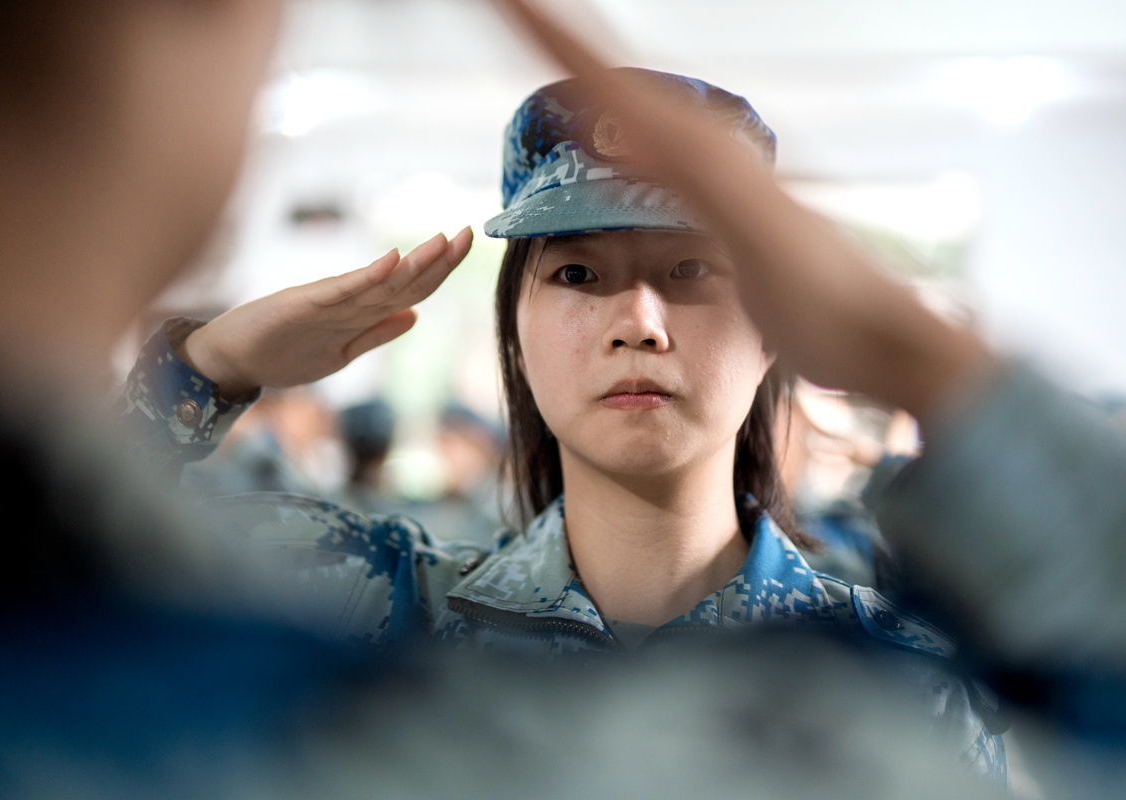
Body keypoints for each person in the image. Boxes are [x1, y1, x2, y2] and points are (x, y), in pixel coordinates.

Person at [124, 70, 1007, 783]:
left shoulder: (901, 683)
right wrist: (204, 369)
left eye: (692, 266)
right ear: (517, 330)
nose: (640, 322)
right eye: (579, 275)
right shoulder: (381, 610)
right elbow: (36, 582)